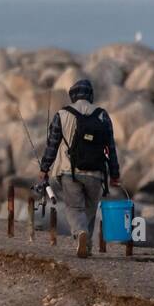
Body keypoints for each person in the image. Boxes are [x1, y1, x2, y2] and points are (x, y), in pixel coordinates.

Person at [37, 78, 122, 258]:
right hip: (96, 173)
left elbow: (52, 145)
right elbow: (111, 148)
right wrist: (115, 174)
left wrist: (44, 167)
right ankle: (86, 245)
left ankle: (81, 235)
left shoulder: (62, 114)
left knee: (75, 208)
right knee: (89, 209)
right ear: (91, 95)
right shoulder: (102, 115)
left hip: (70, 172)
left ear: (72, 96)